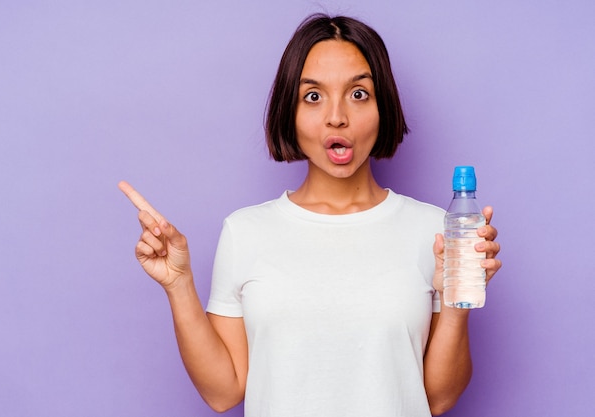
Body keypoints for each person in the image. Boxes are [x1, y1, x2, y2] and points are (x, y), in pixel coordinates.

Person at [119, 14, 501, 417]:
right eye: (314, 96)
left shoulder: (434, 230)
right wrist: (178, 285)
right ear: (290, 111)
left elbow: (438, 398)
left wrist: (459, 297)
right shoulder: (245, 232)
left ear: (382, 106)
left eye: (358, 94)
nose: (337, 116)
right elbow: (223, 391)